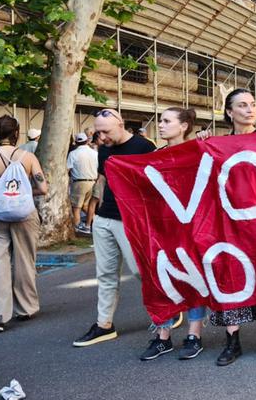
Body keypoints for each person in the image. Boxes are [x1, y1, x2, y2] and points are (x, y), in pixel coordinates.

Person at [197, 89, 256, 365]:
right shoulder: (215, 144)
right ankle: (232, 342)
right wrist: (201, 142)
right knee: (230, 276)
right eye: (242, 105)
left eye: (253, 104)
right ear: (229, 112)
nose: (250, 110)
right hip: (229, 225)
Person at [73, 109, 158, 347]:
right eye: (98, 132)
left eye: (106, 131)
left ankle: (167, 309)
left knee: (140, 271)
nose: (101, 137)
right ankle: (104, 325)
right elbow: (103, 179)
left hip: (131, 220)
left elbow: (156, 183)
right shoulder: (104, 149)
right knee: (106, 275)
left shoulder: (144, 146)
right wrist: (96, 208)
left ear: (120, 124)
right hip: (104, 218)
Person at [140, 108, 209, 361]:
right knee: (162, 278)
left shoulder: (197, 151)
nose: (160, 125)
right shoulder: (154, 156)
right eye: (160, 120)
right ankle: (163, 336)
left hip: (192, 227)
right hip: (162, 228)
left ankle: (194, 335)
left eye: (166, 121)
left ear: (184, 126)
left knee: (194, 278)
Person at [0, 116, 48, 332]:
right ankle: (26, 308)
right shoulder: (28, 157)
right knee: (25, 261)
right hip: (25, 215)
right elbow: (43, 188)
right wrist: (21, 194)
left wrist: (1, 193)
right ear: (16, 133)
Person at [67, 132, 98, 234]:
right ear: (87, 141)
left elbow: (67, 169)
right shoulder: (94, 153)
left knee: (76, 208)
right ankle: (97, 224)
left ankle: (77, 228)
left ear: (76, 142)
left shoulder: (73, 153)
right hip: (93, 182)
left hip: (79, 183)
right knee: (86, 206)